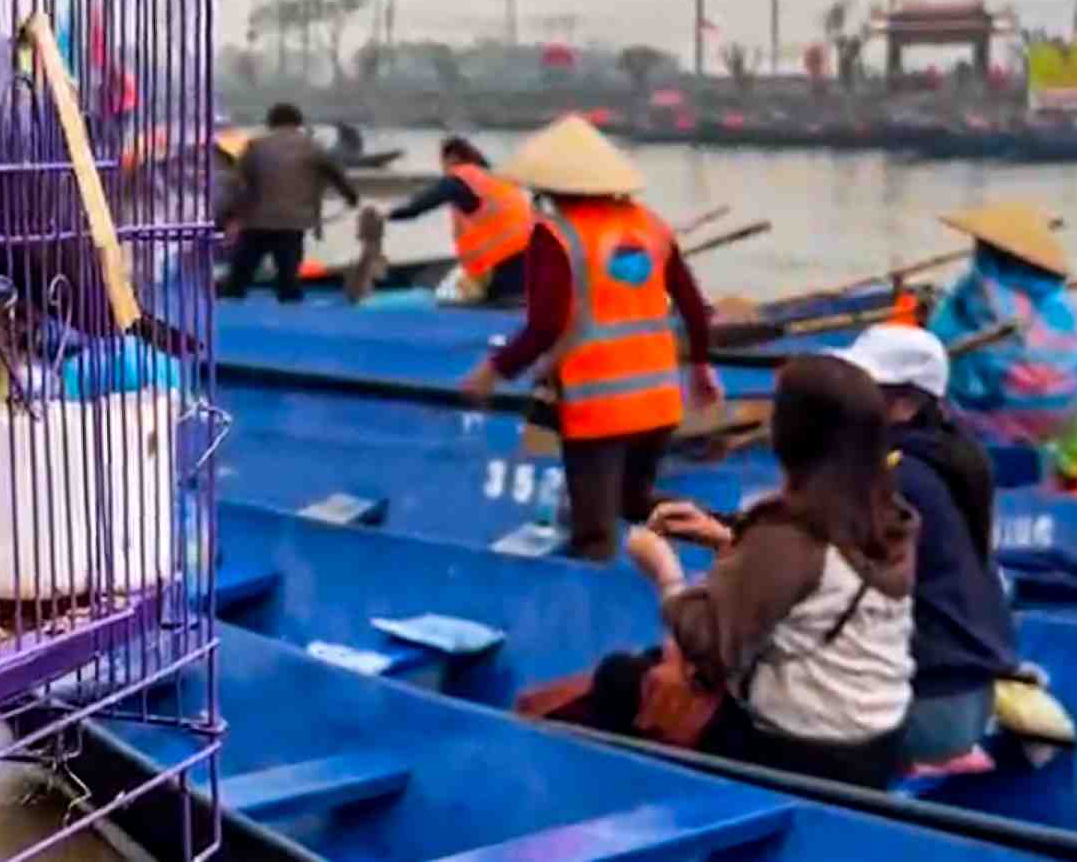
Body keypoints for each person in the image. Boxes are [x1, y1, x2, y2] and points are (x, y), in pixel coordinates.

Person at [626, 355, 918, 789]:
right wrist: (725, 539)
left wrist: (663, 568)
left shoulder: (788, 533)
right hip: (880, 743)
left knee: (620, 681)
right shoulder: (887, 518)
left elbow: (706, 641)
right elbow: (828, 579)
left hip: (799, 752)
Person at [460, 114, 721, 561]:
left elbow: (546, 326)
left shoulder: (555, 236)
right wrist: (700, 367)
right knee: (634, 502)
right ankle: (723, 533)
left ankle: (595, 622)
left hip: (598, 407)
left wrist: (492, 372)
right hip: (658, 401)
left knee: (594, 531)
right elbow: (695, 308)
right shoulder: (650, 226)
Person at [827, 326, 1019, 768]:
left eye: (859, 390)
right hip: (969, 700)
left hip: (930, 709)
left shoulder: (895, 480)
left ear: (906, 405)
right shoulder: (948, 458)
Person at [926, 201, 1077, 447]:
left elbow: (944, 338)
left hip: (998, 416)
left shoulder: (985, 291)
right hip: (1061, 416)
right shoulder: (1062, 303)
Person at [217, 103, 360, 302]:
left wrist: (226, 216)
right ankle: (291, 309)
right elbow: (337, 177)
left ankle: (228, 309)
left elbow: (237, 184)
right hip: (293, 222)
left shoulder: (255, 146)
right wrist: (352, 198)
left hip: (256, 222)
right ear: (299, 122)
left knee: (239, 276)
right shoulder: (312, 147)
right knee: (288, 275)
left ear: (270, 123)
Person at [386, 136, 536, 301]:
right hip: (531, 256)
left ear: (452, 158)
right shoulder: (496, 179)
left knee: (497, 305)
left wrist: (383, 214)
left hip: (504, 261)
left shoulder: (462, 178)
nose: (443, 171)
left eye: (442, 163)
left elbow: (415, 207)